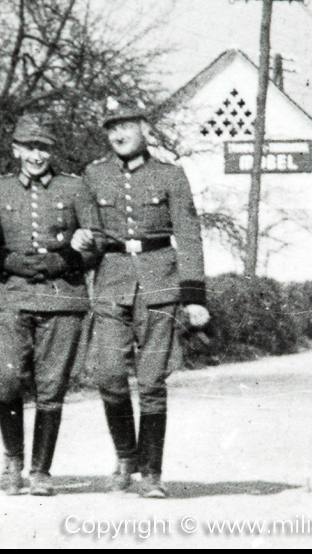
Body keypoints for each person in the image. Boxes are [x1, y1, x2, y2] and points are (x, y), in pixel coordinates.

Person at [82, 97, 209, 499]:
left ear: (144, 129)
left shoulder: (170, 175)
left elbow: (188, 235)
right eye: (111, 128)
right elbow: (87, 232)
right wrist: (81, 242)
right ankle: (126, 454)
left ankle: (151, 473)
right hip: (112, 282)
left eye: (127, 125)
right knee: (108, 374)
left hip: (159, 284)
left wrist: (194, 295)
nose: (118, 134)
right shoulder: (94, 175)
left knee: (152, 381)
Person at [0, 114, 100, 496]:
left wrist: (70, 256)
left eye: (43, 147)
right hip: (13, 297)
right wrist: (9, 262)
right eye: (29, 147)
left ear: (52, 151)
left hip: (62, 298)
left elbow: (98, 244)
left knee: (51, 386)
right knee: (6, 377)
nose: (36, 155)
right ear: (16, 150)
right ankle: (13, 457)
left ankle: (40, 470)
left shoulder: (74, 188)